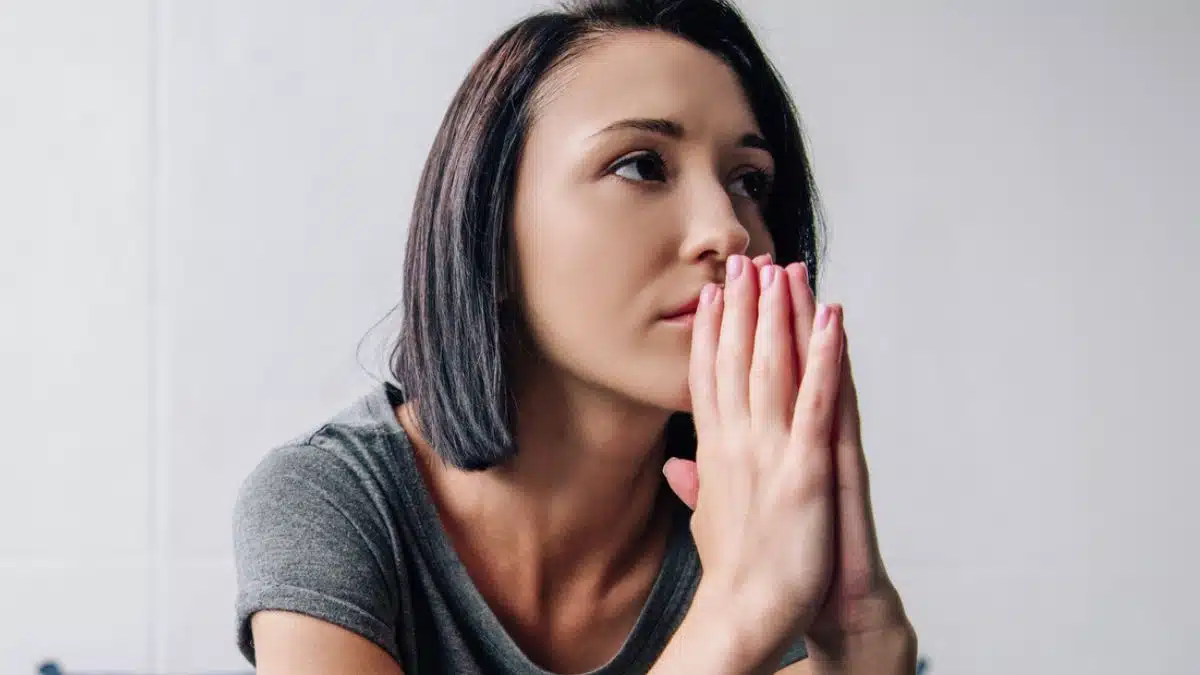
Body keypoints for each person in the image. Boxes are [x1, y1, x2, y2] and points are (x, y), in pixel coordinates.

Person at [232, 0, 917, 673]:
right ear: (491, 233)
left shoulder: (760, 532)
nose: (730, 231)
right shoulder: (335, 502)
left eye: (748, 181)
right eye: (642, 166)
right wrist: (736, 616)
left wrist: (860, 646)